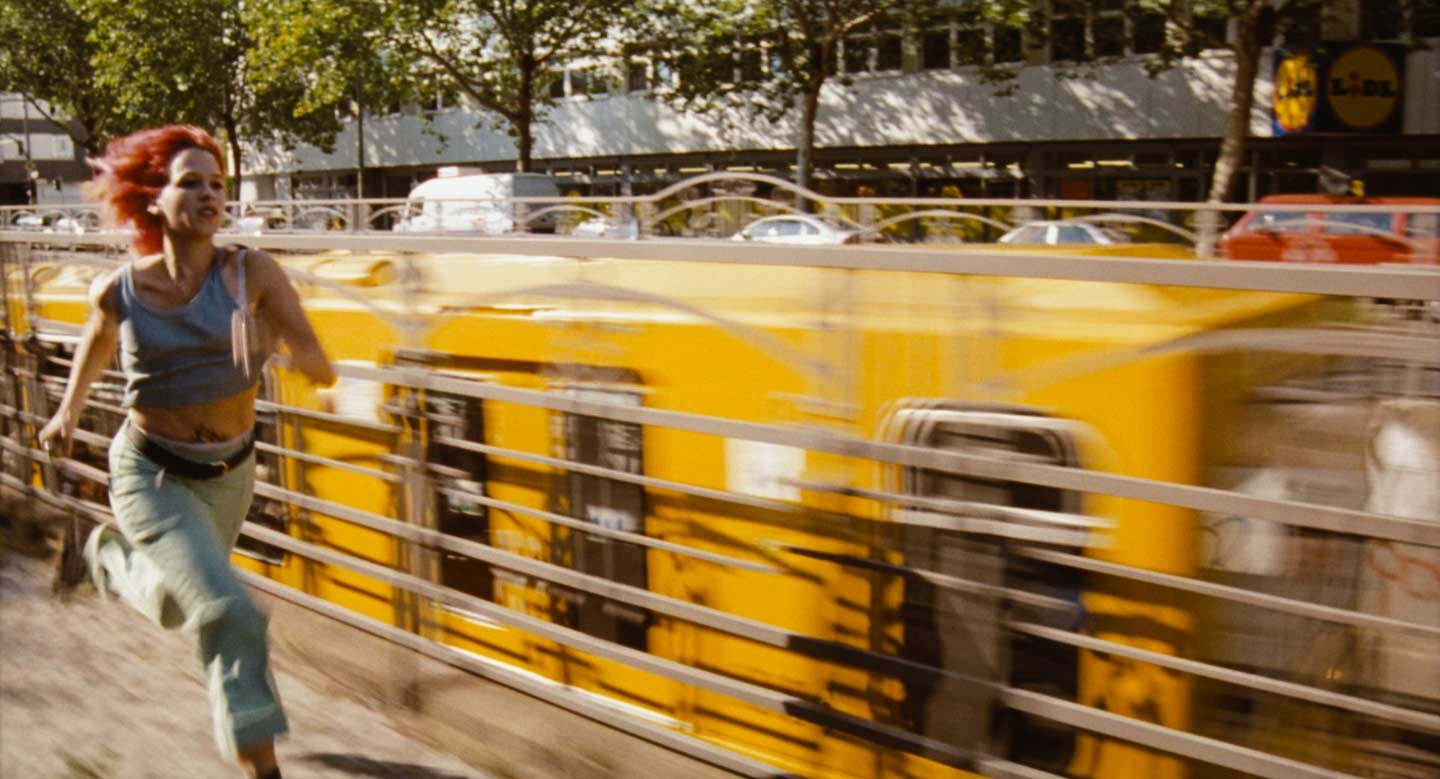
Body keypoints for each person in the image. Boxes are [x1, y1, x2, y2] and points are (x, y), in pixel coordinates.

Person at [38, 125, 335, 779]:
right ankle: (262, 763)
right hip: (150, 471)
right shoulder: (120, 288)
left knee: (178, 605)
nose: (208, 195)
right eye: (189, 182)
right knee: (227, 610)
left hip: (229, 475)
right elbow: (95, 345)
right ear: (153, 199)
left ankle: (102, 554)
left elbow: (323, 367)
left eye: (217, 184)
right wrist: (65, 412)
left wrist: (274, 345)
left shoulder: (251, 272)